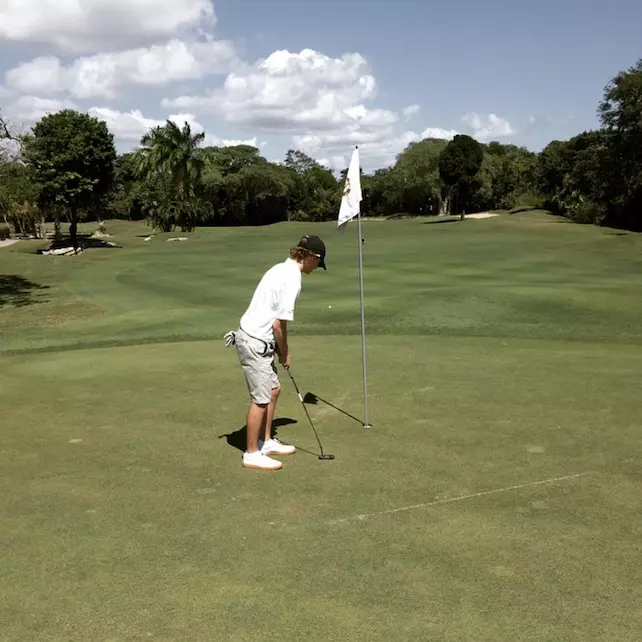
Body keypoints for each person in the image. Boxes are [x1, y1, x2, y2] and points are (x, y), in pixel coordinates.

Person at [224, 235, 327, 470]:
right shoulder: (292, 279)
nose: (316, 268)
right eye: (317, 264)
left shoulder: (280, 268)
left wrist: (280, 349)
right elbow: (278, 325)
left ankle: (266, 441)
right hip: (255, 341)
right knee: (260, 399)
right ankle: (251, 453)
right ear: (312, 256)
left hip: (258, 339)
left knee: (273, 389)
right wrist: (285, 352)